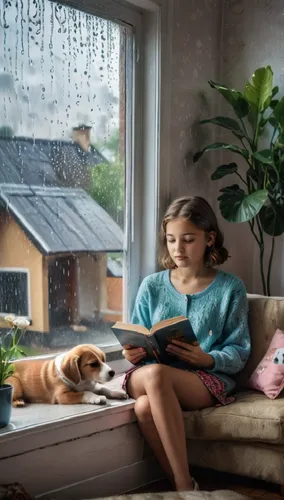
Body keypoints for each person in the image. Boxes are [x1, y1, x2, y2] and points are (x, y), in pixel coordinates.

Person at [122, 196, 251, 492]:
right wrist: (133, 352)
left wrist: (207, 359)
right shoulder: (151, 286)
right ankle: (187, 488)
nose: (177, 249)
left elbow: (240, 349)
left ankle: (182, 486)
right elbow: (136, 332)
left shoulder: (231, 288)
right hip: (151, 372)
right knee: (154, 376)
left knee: (144, 408)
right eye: (170, 240)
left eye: (188, 239)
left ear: (209, 239)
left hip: (203, 379)